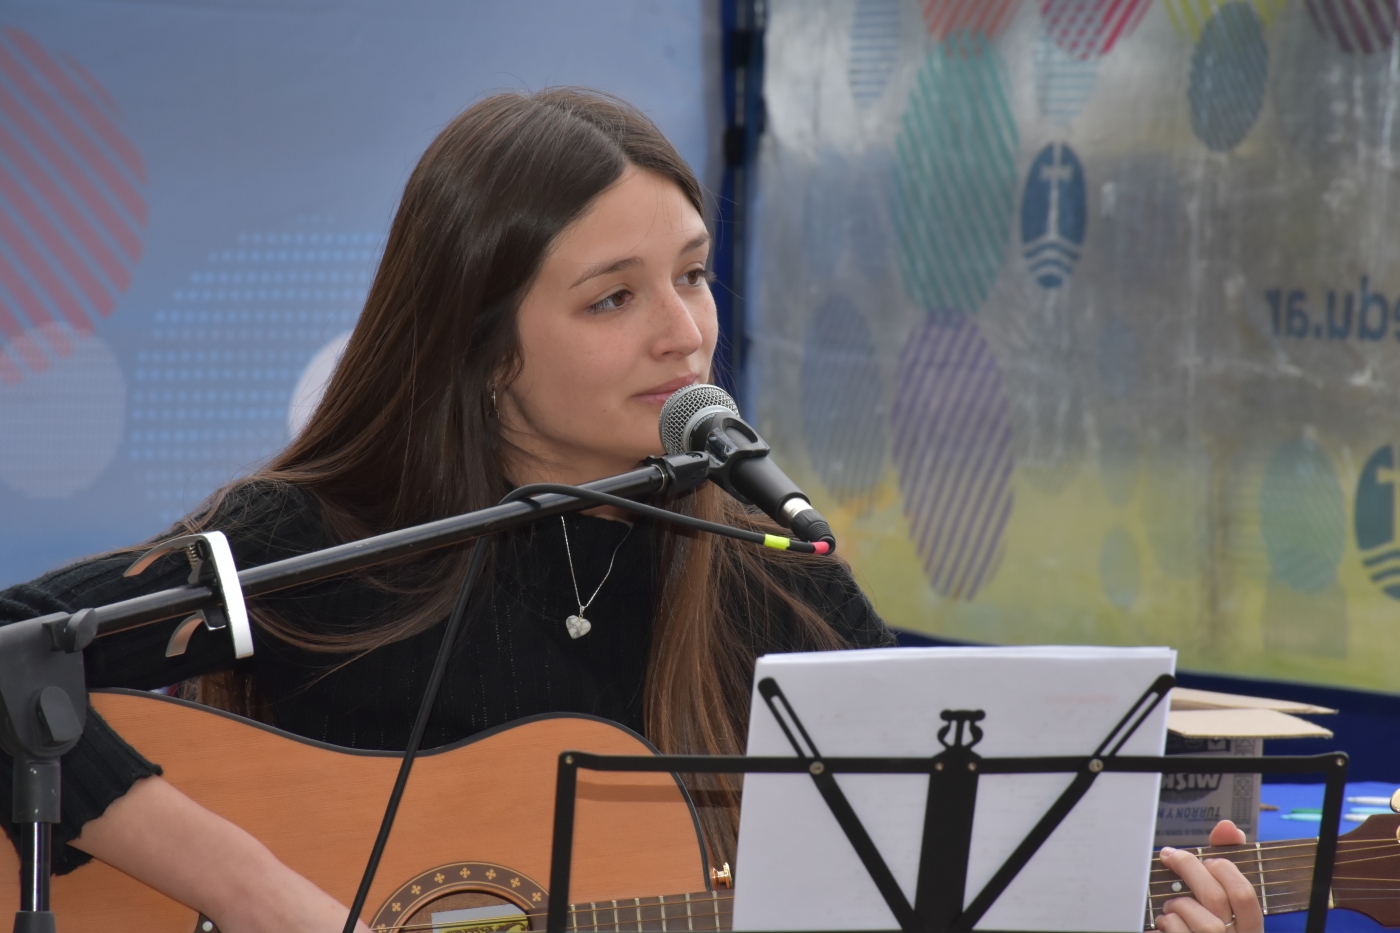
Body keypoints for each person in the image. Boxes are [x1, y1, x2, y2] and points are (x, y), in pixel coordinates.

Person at [0, 88, 1257, 933]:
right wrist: (284, 907)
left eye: (695, 276)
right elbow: (10, 661)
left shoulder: (771, 569)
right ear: (481, 348)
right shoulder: (320, 542)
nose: (685, 332)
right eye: (612, 299)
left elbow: (941, 870)